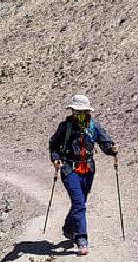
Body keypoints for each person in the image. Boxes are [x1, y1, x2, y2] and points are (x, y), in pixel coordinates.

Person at [48, 94, 119, 255]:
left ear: (88, 111)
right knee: (79, 203)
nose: (81, 115)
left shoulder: (93, 126)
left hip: (87, 170)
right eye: (77, 112)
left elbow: (105, 144)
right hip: (69, 169)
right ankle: (81, 239)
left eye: (84, 112)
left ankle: (68, 227)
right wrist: (55, 159)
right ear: (73, 111)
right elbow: (54, 144)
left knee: (80, 201)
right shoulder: (65, 127)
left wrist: (112, 149)